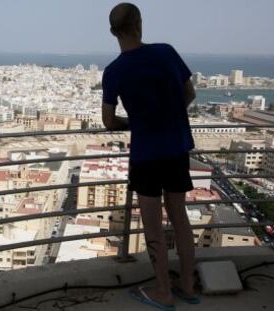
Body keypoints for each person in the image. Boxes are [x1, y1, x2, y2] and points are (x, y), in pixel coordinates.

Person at [101, 3, 199, 311]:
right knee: (180, 218)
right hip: (177, 147)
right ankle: (187, 285)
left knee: (153, 227)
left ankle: (163, 292)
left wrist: (134, 123)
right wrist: (168, 115)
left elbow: (108, 121)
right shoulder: (166, 52)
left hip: (146, 154)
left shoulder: (114, 71)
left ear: (113, 32)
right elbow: (190, 93)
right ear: (139, 24)